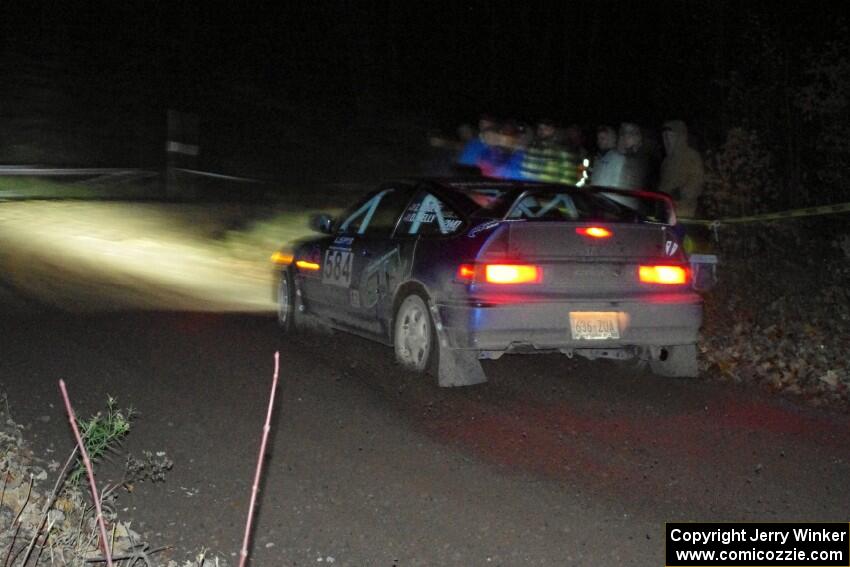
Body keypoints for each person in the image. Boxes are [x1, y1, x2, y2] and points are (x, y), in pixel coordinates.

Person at [659, 120, 705, 218]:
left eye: (670, 136)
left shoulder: (691, 156)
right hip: (666, 213)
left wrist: (679, 193)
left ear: (679, 137)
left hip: (685, 214)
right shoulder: (666, 162)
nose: (667, 140)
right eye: (664, 137)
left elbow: (697, 182)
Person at [520, 120, 580, 185]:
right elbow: (525, 170)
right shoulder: (533, 147)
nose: (541, 131)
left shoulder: (563, 149)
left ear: (553, 130)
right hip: (530, 190)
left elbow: (568, 177)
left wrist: (560, 191)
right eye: (539, 128)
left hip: (551, 191)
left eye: (546, 129)